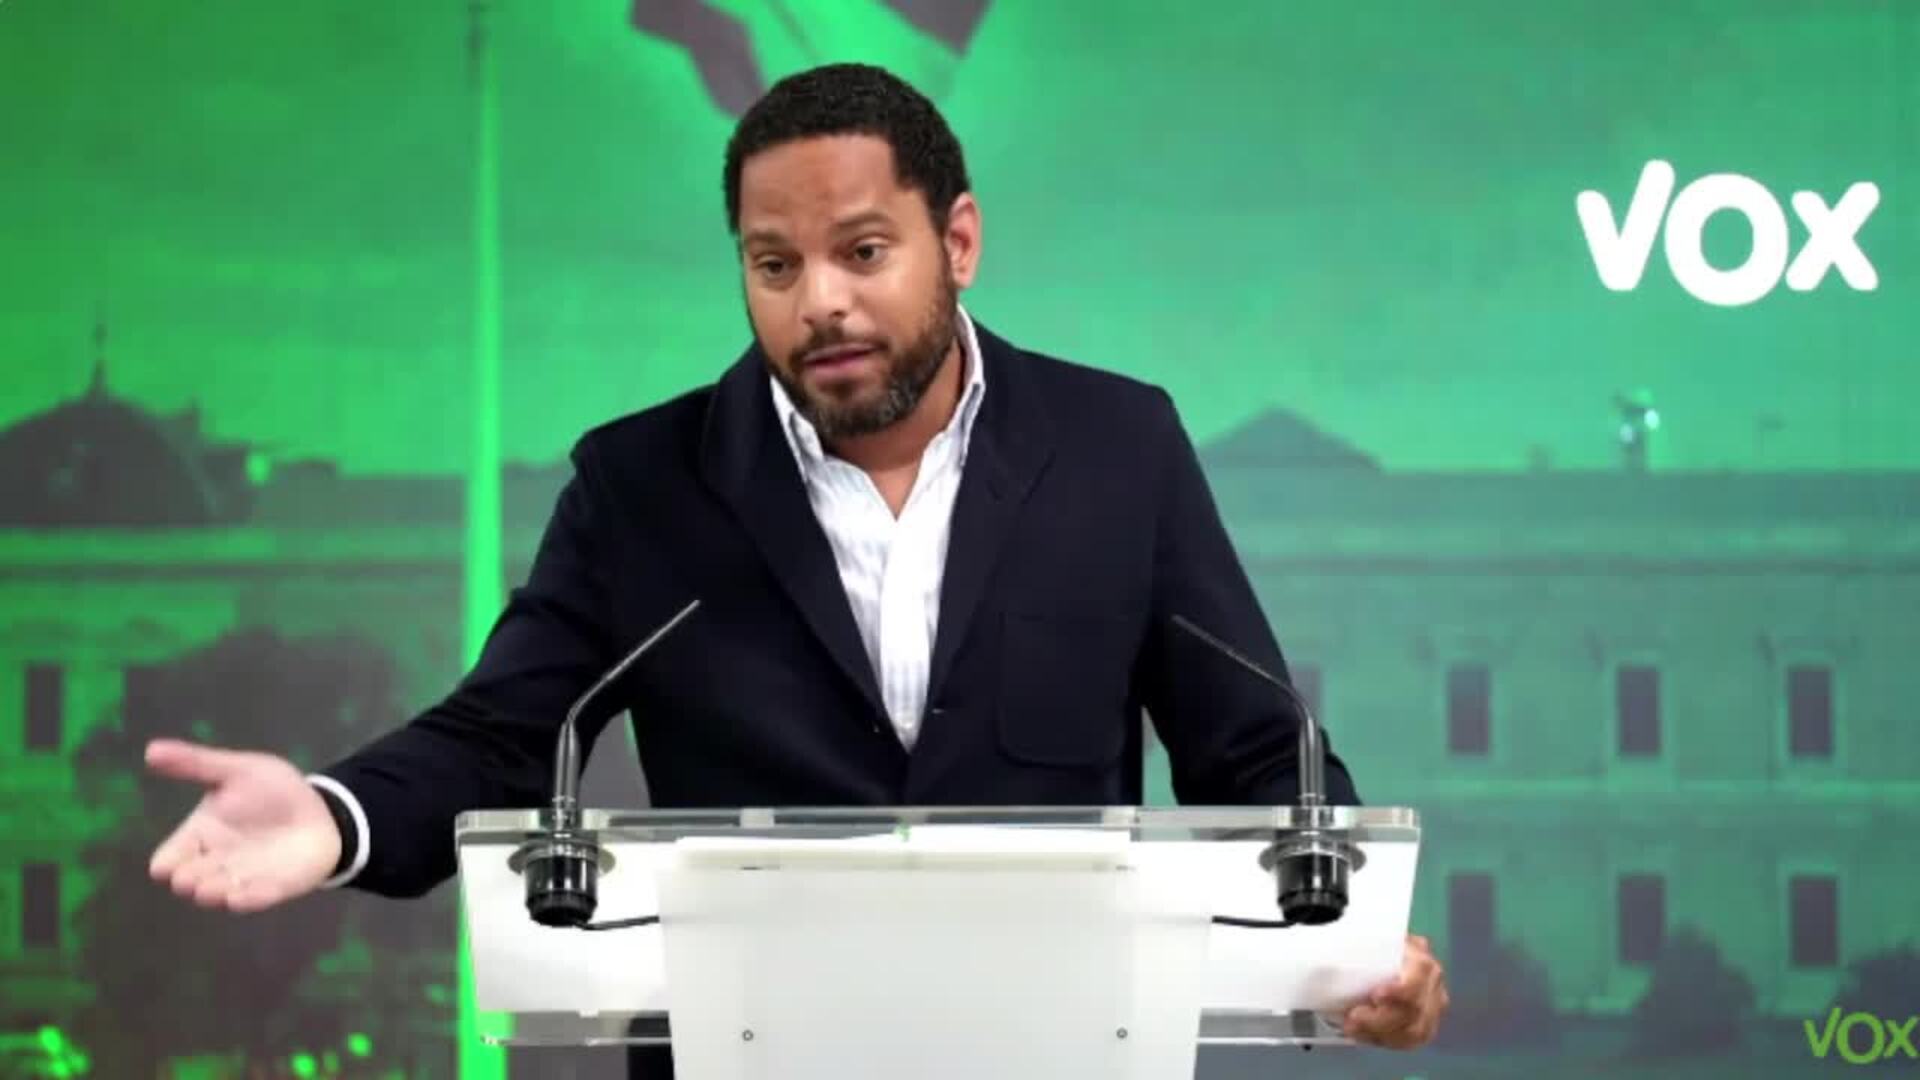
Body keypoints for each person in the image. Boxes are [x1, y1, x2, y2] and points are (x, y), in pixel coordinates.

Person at [146, 62, 1448, 1066]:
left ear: (960, 242)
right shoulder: (641, 486)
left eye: (862, 252)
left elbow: (1254, 749)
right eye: (774, 265)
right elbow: (499, 739)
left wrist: (1359, 952)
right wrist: (335, 816)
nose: (818, 299)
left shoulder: (1120, 448)